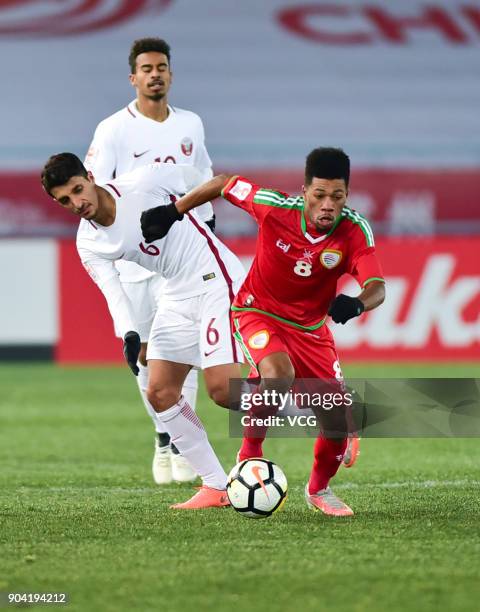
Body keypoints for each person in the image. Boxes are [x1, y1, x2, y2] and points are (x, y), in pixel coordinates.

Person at [140, 147, 386, 516]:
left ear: (346, 196)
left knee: (335, 421)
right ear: (304, 192)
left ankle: (319, 490)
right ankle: (249, 455)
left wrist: (357, 303)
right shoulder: (275, 207)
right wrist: (174, 212)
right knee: (278, 374)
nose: (327, 206)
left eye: (337, 196)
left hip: (311, 330)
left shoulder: (353, 229)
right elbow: (224, 184)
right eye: (319, 195)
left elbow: (377, 286)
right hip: (257, 312)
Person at [41, 154, 245, 509]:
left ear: (90, 176)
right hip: (175, 292)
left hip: (214, 278)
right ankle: (216, 485)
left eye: (77, 190)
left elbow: (219, 181)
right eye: (65, 201)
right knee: (160, 392)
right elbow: (113, 292)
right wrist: (129, 334)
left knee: (223, 392)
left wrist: (177, 211)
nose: (78, 203)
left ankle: (332, 411)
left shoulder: (145, 182)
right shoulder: (89, 243)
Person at [84, 37, 216, 485]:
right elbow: (96, 194)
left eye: (161, 66)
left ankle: (182, 445)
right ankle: (164, 437)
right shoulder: (112, 130)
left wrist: (208, 225)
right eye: (146, 68)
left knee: (183, 350)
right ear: (133, 78)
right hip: (135, 261)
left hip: (180, 258)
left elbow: (202, 178)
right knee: (143, 357)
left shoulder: (191, 125)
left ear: (170, 74)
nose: (154, 74)